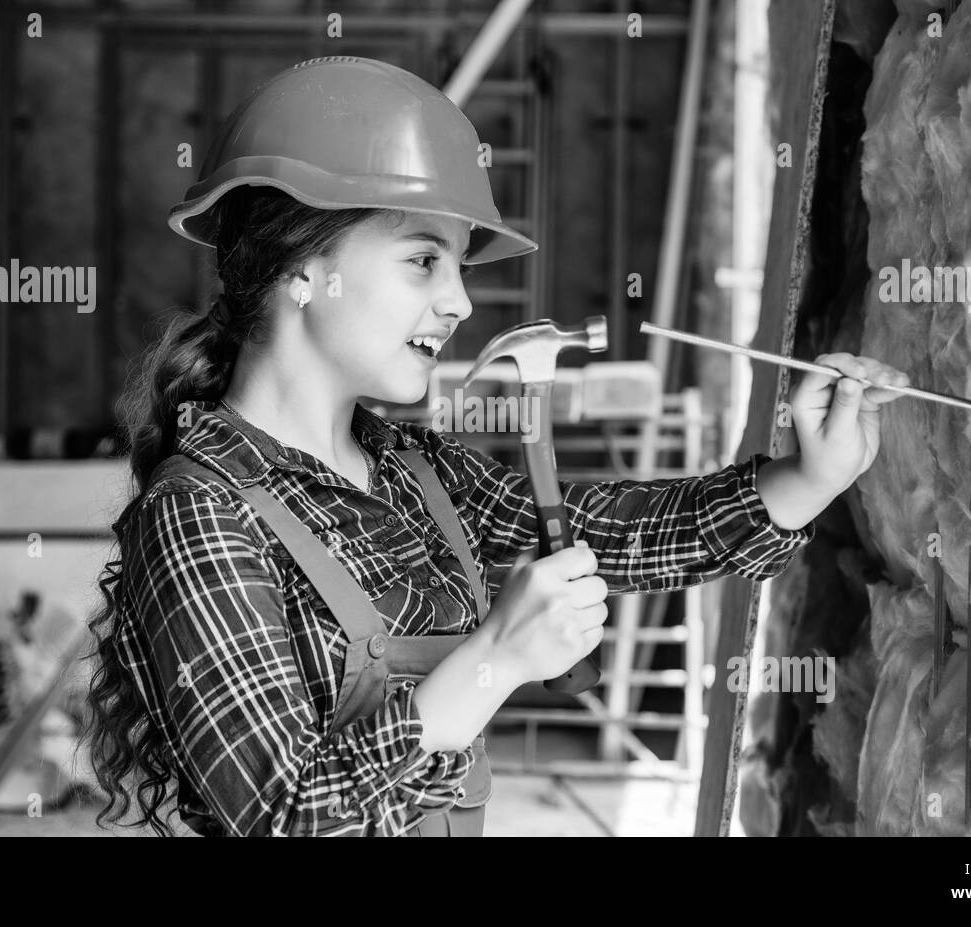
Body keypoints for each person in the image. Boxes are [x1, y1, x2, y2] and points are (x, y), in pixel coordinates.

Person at [84, 57, 910, 837]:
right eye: (422, 261)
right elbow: (280, 813)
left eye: (461, 268)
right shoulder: (201, 512)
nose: (458, 303)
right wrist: (495, 657)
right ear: (300, 267)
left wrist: (809, 476)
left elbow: (607, 533)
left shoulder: (416, 471)